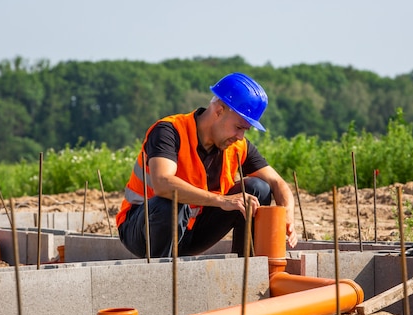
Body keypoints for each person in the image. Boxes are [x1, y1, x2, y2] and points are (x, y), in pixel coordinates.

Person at [115, 72, 297, 258]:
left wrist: (288, 214)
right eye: (239, 127)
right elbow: (163, 183)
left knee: (258, 189)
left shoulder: (237, 146)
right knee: (171, 201)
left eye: (245, 130)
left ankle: (245, 270)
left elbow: (277, 182)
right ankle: (162, 278)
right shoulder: (170, 131)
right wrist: (221, 201)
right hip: (143, 231)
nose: (241, 136)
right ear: (219, 111)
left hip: (190, 232)